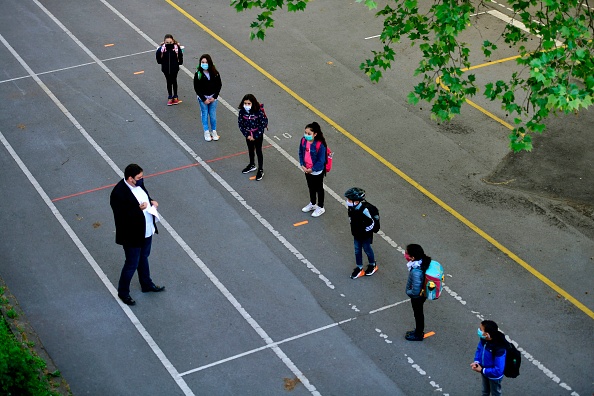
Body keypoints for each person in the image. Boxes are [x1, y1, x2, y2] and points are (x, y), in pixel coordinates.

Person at [110, 164, 165, 306]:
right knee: (131, 264)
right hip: (131, 236)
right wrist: (137, 209)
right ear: (130, 178)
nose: (142, 180)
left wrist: (151, 200)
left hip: (146, 230)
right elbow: (120, 217)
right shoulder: (118, 193)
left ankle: (146, 284)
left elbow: (144, 195)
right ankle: (123, 292)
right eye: (139, 178)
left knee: (144, 258)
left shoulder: (138, 185)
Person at [344, 187, 377, 279]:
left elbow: (371, 223)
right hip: (356, 233)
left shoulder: (365, 210)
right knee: (357, 250)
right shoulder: (351, 208)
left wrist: (364, 231)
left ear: (357, 201)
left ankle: (372, 264)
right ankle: (359, 267)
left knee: (367, 249)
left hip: (365, 235)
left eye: (350, 200)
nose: (348, 201)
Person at [471, 320, 507, 396]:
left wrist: (482, 370)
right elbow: (479, 349)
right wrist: (477, 361)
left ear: (487, 334)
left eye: (481, 329)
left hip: (494, 377)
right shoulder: (484, 340)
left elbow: (498, 371)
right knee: (485, 391)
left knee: (495, 393)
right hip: (484, 371)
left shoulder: (499, 349)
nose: (478, 330)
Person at [299, 122, 327, 217]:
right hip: (307, 169)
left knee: (319, 188)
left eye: (309, 134)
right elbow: (300, 153)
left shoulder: (320, 145)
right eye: (305, 133)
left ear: (315, 134)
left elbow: (321, 160)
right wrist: (302, 164)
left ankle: (320, 207)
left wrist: (312, 169)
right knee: (311, 187)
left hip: (317, 171)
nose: (306, 135)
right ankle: (312, 203)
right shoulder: (303, 141)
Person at [238, 94, 268, 181]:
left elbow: (262, 124)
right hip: (248, 135)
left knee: (258, 151)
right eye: (245, 103)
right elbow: (240, 124)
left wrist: (255, 136)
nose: (246, 105)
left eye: (249, 103)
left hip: (257, 135)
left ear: (253, 103)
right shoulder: (242, 112)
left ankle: (260, 169)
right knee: (250, 149)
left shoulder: (258, 111)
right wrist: (247, 135)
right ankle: (252, 165)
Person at [404, 243, 431, 341]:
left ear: (412, 257)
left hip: (417, 297)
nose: (405, 255)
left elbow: (415, 290)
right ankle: (418, 331)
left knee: (418, 314)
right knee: (418, 314)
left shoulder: (416, 271)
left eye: (407, 253)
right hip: (422, 294)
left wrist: (409, 292)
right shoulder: (422, 262)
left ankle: (418, 334)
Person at [194, 54, 222, 142]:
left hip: (213, 97)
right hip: (203, 98)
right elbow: (196, 88)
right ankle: (206, 131)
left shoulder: (215, 73)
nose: (204, 64)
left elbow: (219, 85)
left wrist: (214, 97)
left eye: (206, 62)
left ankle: (214, 131)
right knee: (204, 114)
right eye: (202, 62)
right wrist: (203, 99)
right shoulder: (198, 74)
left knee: (213, 115)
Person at [156, 34, 183, 106]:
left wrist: (179, 63)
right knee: (168, 81)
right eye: (167, 42)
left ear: (173, 41)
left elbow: (180, 56)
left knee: (174, 80)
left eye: (170, 42)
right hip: (165, 69)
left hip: (174, 68)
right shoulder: (162, 49)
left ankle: (175, 96)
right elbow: (158, 58)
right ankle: (170, 96)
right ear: (164, 42)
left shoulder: (176, 48)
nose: (169, 44)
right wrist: (162, 63)